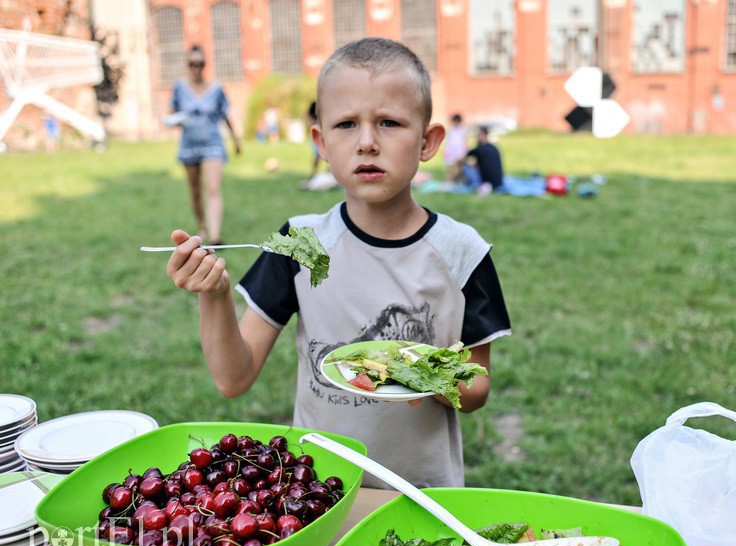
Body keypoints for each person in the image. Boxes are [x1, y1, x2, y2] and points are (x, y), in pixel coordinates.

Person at [164, 38, 511, 489]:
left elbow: (477, 390)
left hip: (422, 494)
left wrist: (425, 375)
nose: (367, 143)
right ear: (322, 142)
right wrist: (214, 295)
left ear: (427, 141)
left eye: (389, 122)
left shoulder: (463, 252)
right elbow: (234, 378)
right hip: (315, 493)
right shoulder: (301, 243)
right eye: (346, 124)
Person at [170, 44, 241, 245]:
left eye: (200, 64)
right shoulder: (179, 88)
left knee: (213, 189)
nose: (196, 68)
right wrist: (176, 120)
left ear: (205, 65)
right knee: (195, 192)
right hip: (189, 146)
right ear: (187, 65)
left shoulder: (216, 89)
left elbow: (226, 115)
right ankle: (202, 225)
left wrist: (236, 140)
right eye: (192, 64)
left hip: (213, 144)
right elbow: (172, 113)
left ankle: (215, 236)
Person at [465, 126, 504, 194]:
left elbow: (466, 155)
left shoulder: (479, 149)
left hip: (487, 182)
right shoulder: (494, 147)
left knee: (466, 167)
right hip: (498, 181)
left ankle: (474, 185)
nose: (477, 137)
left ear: (483, 135)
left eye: (478, 135)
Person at [443, 113, 468, 182]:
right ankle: (449, 181)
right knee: (450, 168)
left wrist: (465, 152)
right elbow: (447, 142)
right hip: (451, 152)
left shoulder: (462, 131)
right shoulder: (450, 131)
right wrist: (446, 150)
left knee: (460, 169)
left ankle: (458, 181)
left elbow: (464, 142)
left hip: (460, 152)